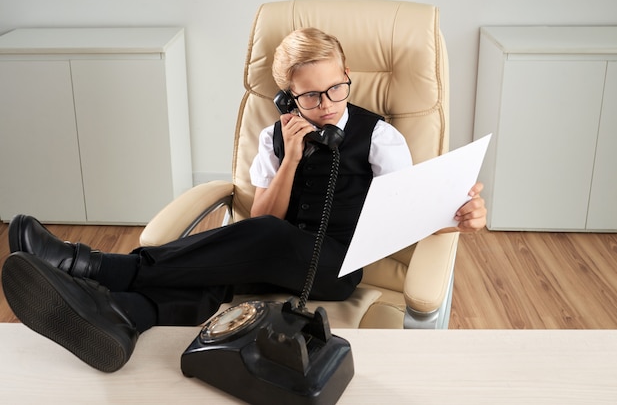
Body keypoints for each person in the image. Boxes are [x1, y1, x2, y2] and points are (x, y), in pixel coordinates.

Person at [1, 28, 487, 373]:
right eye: (311, 96)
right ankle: (125, 317)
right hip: (273, 253)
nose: (328, 103)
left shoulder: (378, 137)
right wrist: (292, 156)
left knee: (255, 241)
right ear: (287, 98)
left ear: (347, 75)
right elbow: (263, 217)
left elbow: (403, 213)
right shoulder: (274, 137)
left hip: (335, 268)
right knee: (216, 272)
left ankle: (94, 267)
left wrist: (458, 218)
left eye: (337, 86)